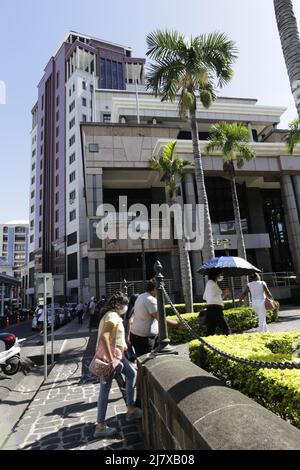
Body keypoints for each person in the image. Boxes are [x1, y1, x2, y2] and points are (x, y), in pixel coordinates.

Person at [94, 292, 142, 439]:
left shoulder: (112, 315)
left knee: (132, 374)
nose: (126, 307)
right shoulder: (112, 316)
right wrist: (110, 360)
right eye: (125, 304)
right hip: (112, 358)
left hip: (118, 356)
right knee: (105, 389)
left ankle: (130, 409)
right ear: (119, 304)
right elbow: (105, 336)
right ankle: (100, 426)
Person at [130, 280, 182, 358]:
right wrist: (178, 324)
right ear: (155, 289)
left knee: (142, 359)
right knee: (147, 360)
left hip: (137, 335)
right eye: (161, 289)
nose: (163, 291)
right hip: (144, 338)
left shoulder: (142, 296)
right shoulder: (150, 300)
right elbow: (161, 320)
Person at [203, 269, 231, 336]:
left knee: (210, 331)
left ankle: (206, 344)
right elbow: (215, 299)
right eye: (220, 274)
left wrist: (224, 294)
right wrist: (225, 293)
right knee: (226, 330)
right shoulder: (211, 283)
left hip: (212, 309)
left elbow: (208, 297)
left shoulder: (211, 283)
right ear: (215, 275)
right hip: (215, 310)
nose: (221, 276)